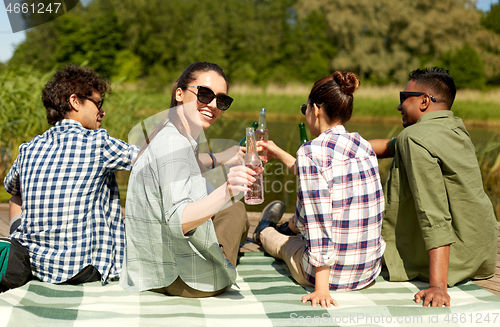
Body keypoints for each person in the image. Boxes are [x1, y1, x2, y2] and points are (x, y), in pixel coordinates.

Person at [253, 71, 386, 307]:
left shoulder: (311, 152)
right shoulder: (363, 146)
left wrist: (321, 289)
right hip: (367, 271)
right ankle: (288, 225)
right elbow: (318, 173)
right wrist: (278, 152)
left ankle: (264, 229)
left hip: (330, 278)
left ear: (315, 109)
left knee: (284, 244)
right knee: (303, 222)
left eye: (304, 107)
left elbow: (318, 222)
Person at [120, 62, 252, 298]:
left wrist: (219, 158)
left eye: (221, 100)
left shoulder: (169, 134)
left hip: (149, 270)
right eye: (204, 94)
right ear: (179, 93)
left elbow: (184, 165)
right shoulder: (175, 142)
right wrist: (228, 190)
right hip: (183, 278)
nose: (212, 105)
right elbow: (177, 221)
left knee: (222, 206)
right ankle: (227, 253)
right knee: (237, 210)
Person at [370, 67, 498, 307]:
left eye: (403, 98)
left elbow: (433, 213)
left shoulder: (415, 138)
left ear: (424, 101)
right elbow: (389, 146)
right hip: (480, 252)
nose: (399, 106)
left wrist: (438, 286)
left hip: (454, 262)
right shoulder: (454, 127)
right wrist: (337, 145)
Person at [2, 64, 139, 287]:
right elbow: (155, 160)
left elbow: (14, 193)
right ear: (75, 101)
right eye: (98, 103)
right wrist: (211, 158)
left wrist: (17, 229)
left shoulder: (29, 148)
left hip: (36, 266)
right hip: (82, 269)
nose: (102, 111)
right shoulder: (98, 143)